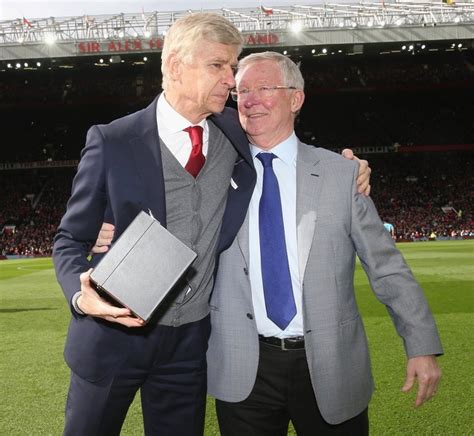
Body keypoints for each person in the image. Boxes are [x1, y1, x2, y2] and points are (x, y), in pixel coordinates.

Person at [53, 12, 371, 436]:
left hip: (189, 346)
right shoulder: (112, 140)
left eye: (233, 67)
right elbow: (69, 238)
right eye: (218, 66)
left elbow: (287, 144)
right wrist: (81, 296)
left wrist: (351, 166)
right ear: (174, 66)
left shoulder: (231, 133)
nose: (231, 79)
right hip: (112, 334)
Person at [205, 52, 442, 435]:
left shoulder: (342, 174)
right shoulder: (214, 173)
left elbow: (388, 268)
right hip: (243, 368)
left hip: (331, 365)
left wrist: (421, 345)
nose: (249, 99)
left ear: (296, 98)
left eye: (264, 87)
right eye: (242, 90)